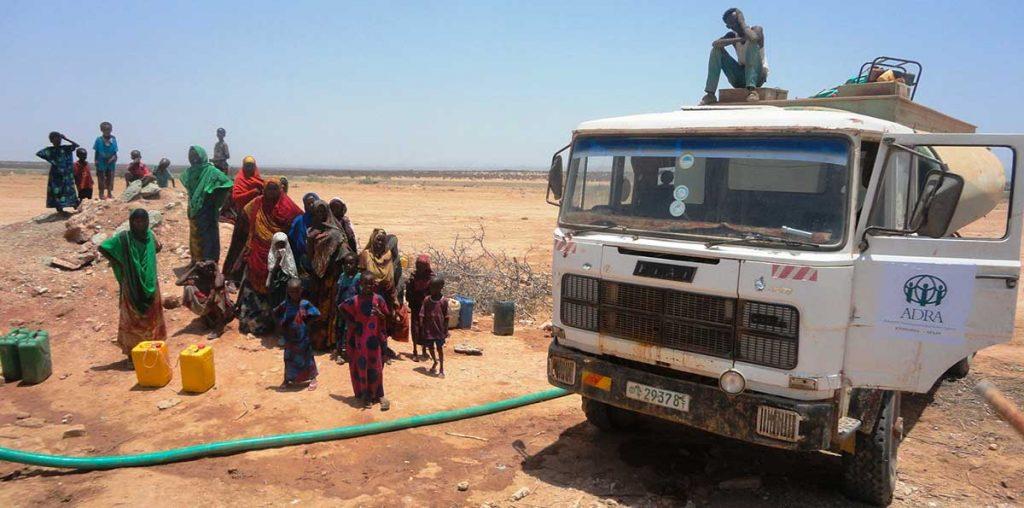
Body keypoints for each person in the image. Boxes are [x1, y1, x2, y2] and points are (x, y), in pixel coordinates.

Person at [98, 209, 166, 366]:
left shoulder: (150, 236)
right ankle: (132, 355)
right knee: (132, 321)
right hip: (131, 286)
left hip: (151, 284)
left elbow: (158, 247)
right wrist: (122, 262)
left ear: (147, 222)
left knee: (151, 318)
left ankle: (152, 350)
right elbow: (104, 248)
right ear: (131, 222)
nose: (140, 224)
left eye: (143, 221)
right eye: (136, 221)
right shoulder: (124, 239)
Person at [237, 179, 303, 334]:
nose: (272, 192)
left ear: (280, 190)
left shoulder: (287, 205)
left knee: (273, 289)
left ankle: (272, 323)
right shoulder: (257, 204)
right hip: (257, 253)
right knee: (252, 287)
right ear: (264, 190)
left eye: (275, 189)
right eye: (269, 189)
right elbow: (244, 214)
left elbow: (299, 219)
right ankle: (249, 321)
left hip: (277, 255)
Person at [339, 272, 391, 410]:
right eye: (365, 283)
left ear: (374, 284)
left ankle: (379, 394)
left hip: (375, 341)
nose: (368, 286)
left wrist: (381, 316)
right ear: (360, 284)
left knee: (377, 367)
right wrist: (351, 323)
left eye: (371, 283)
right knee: (362, 368)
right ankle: (365, 394)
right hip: (360, 342)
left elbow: (387, 315)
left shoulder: (378, 299)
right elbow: (341, 308)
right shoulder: (355, 300)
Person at [699, 8, 768, 105]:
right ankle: (710, 94)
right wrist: (738, 39)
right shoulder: (732, 35)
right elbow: (715, 44)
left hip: (757, 76)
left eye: (737, 21)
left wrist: (743, 23)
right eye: (733, 23)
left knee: (752, 43)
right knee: (716, 50)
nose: (737, 25)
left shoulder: (757, 29)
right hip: (739, 77)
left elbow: (753, 37)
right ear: (728, 26)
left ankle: (752, 91)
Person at [306, 199, 350, 351]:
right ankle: (317, 341)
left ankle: (330, 341)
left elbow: (345, 251)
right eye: (317, 212)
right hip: (317, 276)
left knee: (330, 308)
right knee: (316, 307)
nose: (320, 214)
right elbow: (309, 255)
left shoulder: (336, 232)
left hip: (332, 275)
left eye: (322, 211)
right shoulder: (311, 232)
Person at [182, 145, 233, 264]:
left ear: (202, 156)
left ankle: (209, 261)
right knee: (195, 235)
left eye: (196, 155)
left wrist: (213, 194)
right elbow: (189, 186)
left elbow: (226, 183)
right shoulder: (189, 172)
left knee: (208, 235)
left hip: (207, 209)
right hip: (194, 208)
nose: (194, 158)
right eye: (191, 156)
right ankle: (196, 260)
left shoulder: (211, 171)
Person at [222, 155, 265, 284]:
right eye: (247, 165)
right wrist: (252, 192)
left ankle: (248, 277)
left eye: (251, 166)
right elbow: (236, 197)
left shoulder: (259, 180)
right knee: (238, 247)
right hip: (243, 218)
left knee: (252, 248)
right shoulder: (240, 179)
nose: (249, 168)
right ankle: (231, 275)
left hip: (256, 218)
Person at [274, 278, 320, 391]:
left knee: (307, 357)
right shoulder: (285, 304)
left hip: (303, 337)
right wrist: (280, 326)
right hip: (290, 338)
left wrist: (307, 322)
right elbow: (275, 313)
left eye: (296, 291)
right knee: (288, 358)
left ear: (301, 290)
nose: (294, 294)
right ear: (288, 292)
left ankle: (313, 378)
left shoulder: (304, 304)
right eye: (291, 292)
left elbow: (317, 314)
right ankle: (287, 379)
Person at [177, 260, 235, 339]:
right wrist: (194, 268)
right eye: (204, 269)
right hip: (205, 304)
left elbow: (218, 284)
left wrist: (216, 267)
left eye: (209, 269)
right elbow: (178, 282)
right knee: (188, 287)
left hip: (219, 306)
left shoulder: (217, 277)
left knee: (218, 293)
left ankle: (219, 327)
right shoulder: (197, 278)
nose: (207, 271)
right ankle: (207, 317)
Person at [35, 131, 80, 215]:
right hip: (56, 174)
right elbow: (39, 153)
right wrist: (53, 161)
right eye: (55, 139)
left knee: (69, 189)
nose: (58, 140)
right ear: (51, 140)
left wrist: (66, 138)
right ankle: (60, 209)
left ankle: (74, 204)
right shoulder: (50, 150)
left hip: (67, 174)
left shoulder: (65, 148)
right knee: (57, 191)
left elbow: (76, 145)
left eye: (59, 139)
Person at [267, 232, 300, 337]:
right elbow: (271, 272)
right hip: (277, 290)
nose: (281, 248)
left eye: (283, 244)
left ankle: (287, 333)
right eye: (278, 244)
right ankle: (279, 332)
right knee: (277, 310)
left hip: (287, 290)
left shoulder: (289, 258)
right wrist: (278, 262)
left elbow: (293, 273)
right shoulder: (272, 256)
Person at [332, 252, 361, 363]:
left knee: (351, 331)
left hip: (354, 311)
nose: (348, 266)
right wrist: (336, 305)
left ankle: (351, 352)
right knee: (340, 330)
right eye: (346, 264)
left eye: (351, 263)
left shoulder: (358, 278)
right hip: (342, 309)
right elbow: (338, 291)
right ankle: (340, 352)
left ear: (356, 264)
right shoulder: (342, 276)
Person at [418, 276, 449, 377]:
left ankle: (441, 368)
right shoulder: (427, 300)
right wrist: (422, 326)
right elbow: (422, 314)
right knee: (430, 347)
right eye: (430, 288)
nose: (431, 290)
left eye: (433, 288)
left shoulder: (444, 301)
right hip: (429, 330)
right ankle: (435, 361)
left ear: (440, 288)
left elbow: (446, 316)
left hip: (439, 330)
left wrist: (446, 330)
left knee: (439, 348)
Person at [404, 254, 434, 361]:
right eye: (419, 265)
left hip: (426, 308)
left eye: (423, 266)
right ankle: (415, 351)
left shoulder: (431, 278)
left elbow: (434, 293)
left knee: (425, 328)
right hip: (416, 306)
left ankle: (424, 350)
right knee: (416, 328)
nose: (420, 268)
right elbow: (408, 294)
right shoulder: (413, 277)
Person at [288, 192, 320, 276]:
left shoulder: (325, 220)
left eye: (313, 202)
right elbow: (292, 242)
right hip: (303, 259)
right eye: (307, 204)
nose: (311, 205)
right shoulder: (299, 221)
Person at [93, 122, 117, 200]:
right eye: (105, 129)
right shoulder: (98, 139)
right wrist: (96, 160)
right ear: (101, 130)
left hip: (111, 161)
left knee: (110, 177)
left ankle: (109, 193)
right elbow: (96, 151)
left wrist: (113, 158)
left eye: (109, 129)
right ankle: (101, 194)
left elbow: (115, 151)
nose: (107, 131)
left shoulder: (113, 139)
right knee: (101, 178)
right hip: (101, 161)